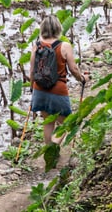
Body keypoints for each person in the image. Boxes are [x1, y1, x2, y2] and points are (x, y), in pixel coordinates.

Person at [29, 15, 89, 145]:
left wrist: (32, 87)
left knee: (48, 123)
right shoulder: (64, 46)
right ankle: (54, 147)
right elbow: (73, 69)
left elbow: (32, 71)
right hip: (58, 91)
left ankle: (49, 154)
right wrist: (82, 78)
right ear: (58, 28)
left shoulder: (36, 46)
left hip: (40, 90)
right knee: (67, 123)